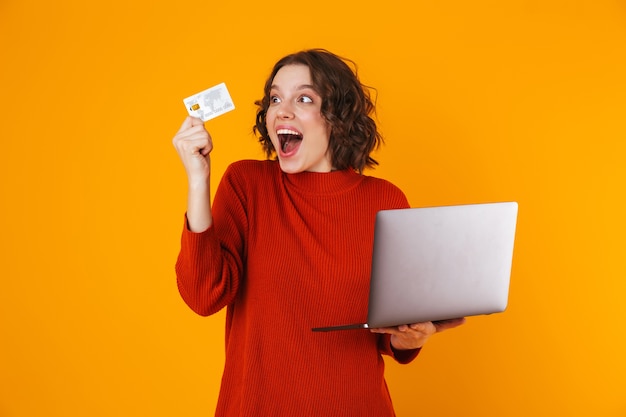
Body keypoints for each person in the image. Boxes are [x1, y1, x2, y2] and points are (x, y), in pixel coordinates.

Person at [172, 49, 465, 417]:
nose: (283, 110)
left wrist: (409, 337)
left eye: (304, 98)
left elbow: (394, 333)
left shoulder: (385, 199)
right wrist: (198, 180)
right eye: (275, 98)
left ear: (336, 117)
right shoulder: (247, 184)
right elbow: (203, 295)